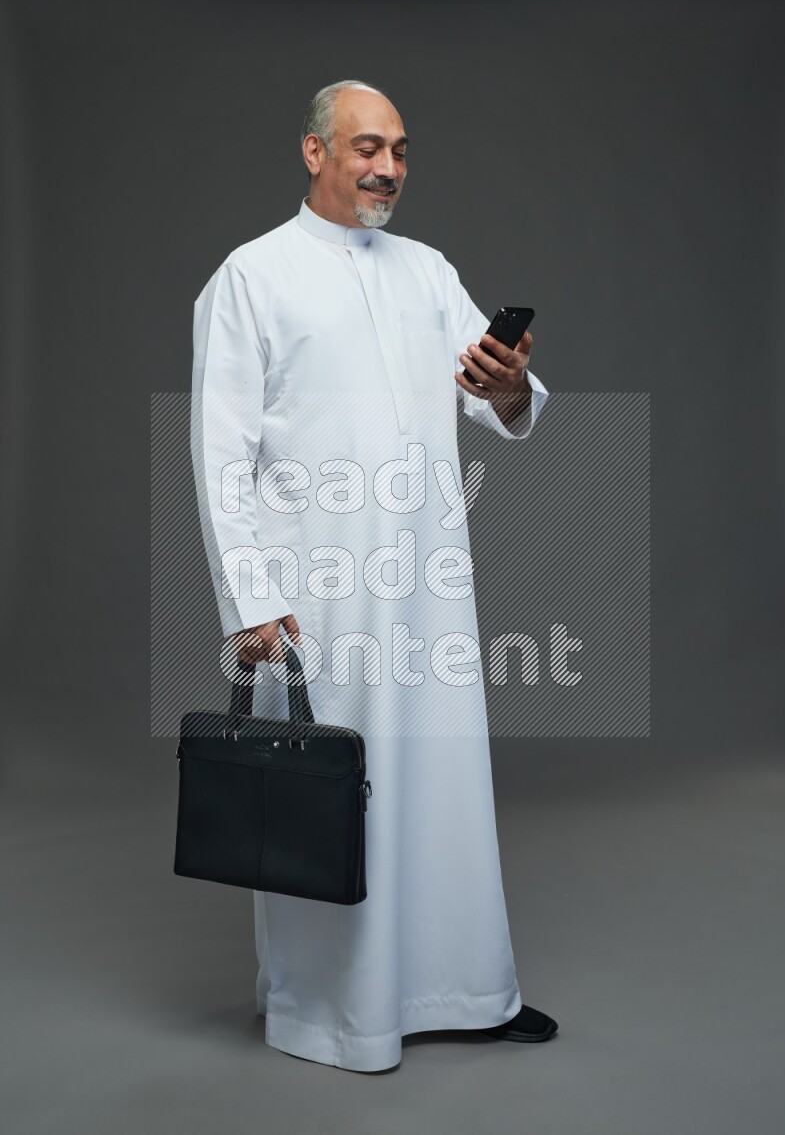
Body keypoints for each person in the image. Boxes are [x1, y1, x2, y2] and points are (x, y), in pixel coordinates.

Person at [190, 78, 555, 1073]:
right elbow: (219, 455)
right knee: (327, 794)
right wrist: (252, 602)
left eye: (396, 148)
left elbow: (503, 401)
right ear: (314, 153)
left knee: (437, 787)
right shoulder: (251, 277)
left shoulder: (427, 271)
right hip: (315, 598)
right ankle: (333, 1013)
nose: (385, 166)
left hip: (425, 585)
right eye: (363, 147)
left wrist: (509, 381)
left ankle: (466, 990)